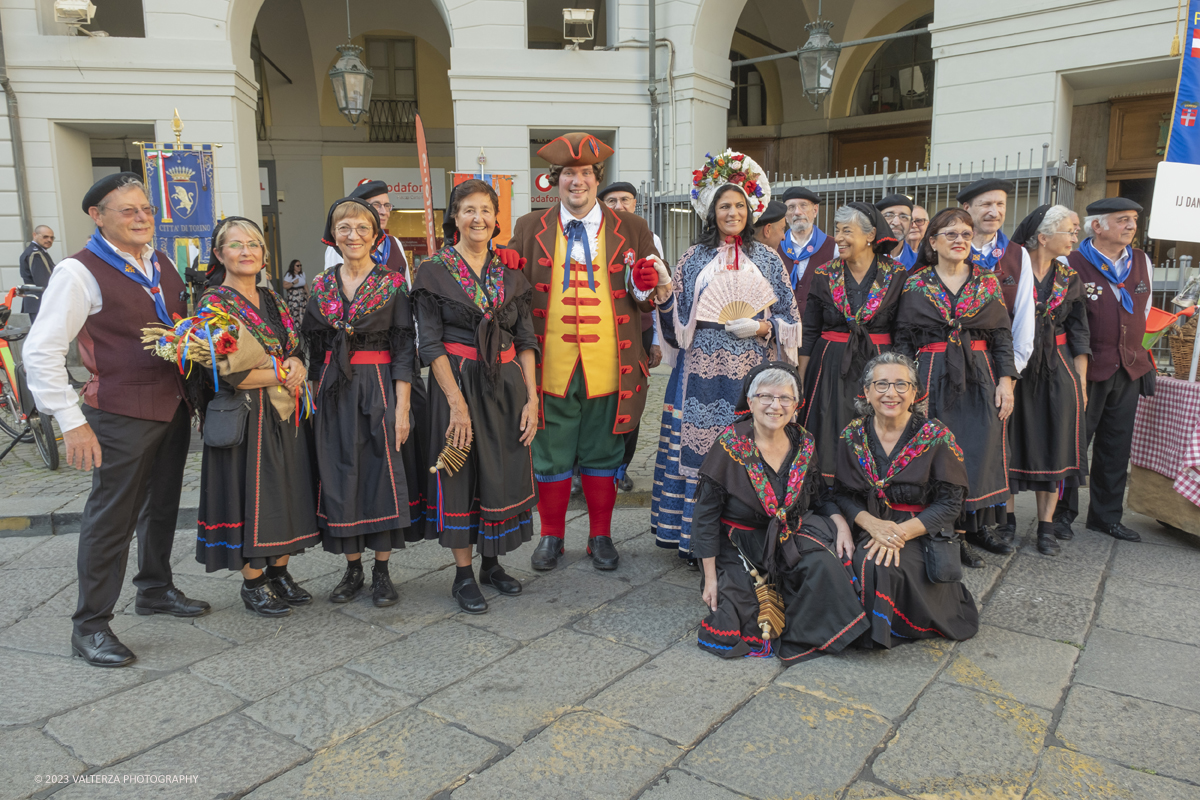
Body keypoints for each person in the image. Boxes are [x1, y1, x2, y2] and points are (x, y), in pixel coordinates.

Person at [24, 173, 210, 668]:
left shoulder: (161, 262)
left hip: (169, 406)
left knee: (161, 506)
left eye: (145, 209)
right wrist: (70, 421)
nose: (141, 218)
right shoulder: (77, 271)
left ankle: (153, 588)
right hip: (118, 413)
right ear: (98, 216)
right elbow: (41, 352)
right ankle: (90, 626)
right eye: (127, 210)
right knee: (111, 519)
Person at [508, 133, 664, 572]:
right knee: (550, 452)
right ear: (554, 180)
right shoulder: (528, 227)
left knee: (604, 451)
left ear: (597, 180)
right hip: (549, 364)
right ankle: (551, 537)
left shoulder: (631, 226)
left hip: (610, 365)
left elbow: (645, 294)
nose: (576, 182)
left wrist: (646, 284)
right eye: (567, 174)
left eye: (585, 174)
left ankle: (601, 536)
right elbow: (512, 293)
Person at [654, 154, 802, 559]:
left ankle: (742, 540)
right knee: (699, 452)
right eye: (724, 206)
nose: (732, 212)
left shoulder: (769, 260)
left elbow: (790, 317)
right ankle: (694, 542)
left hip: (751, 370)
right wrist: (666, 295)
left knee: (747, 446)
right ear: (712, 213)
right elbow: (675, 325)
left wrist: (761, 327)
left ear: (750, 211)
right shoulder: (693, 259)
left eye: (739, 205)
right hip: (699, 368)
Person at [412, 180, 540, 614]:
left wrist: (532, 399)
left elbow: (525, 340)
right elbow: (429, 345)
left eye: (485, 210)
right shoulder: (432, 272)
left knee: (500, 472)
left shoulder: (511, 276)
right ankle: (463, 575)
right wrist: (456, 404)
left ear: (496, 219)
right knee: (460, 475)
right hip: (459, 382)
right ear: (455, 218)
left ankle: (491, 563)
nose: (477, 218)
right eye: (468, 210)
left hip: (506, 384)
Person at [693, 363, 868, 663]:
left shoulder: (803, 443)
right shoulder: (729, 446)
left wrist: (841, 524)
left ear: (796, 405)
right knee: (739, 614)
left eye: (785, 398)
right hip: (740, 543)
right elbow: (705, 517)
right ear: (750, 402)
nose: (775, 406)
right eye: (766, 397)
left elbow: (820, 497)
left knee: (825, 568)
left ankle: (817, 631)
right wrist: (710, 578)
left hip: (790, 534)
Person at [194, 217, 318, 615]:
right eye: (235, 245)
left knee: (287, 493)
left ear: (264, 254)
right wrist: (283, 371)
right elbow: (228, 369)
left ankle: (280, 571)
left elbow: (296, 344)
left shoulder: (275, 299)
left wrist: (298, 363)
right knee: (250, 496)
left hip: (285, 411)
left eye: (254, 244)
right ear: (219, 254)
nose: (246, 251)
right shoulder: (213, 303)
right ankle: (254, 581)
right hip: (246, 415)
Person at [304, 197, 420, 607]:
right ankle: (352, 567)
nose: (353, 235)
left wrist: (402, 408)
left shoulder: (392, 284)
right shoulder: (319, 284)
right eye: (344, 228)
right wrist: (315, 400)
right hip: (333, 389)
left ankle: (382, 571)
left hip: (380, 384)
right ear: (332, 235)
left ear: (376, 236)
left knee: (380, 475)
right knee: (339, 474)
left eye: (361, 228)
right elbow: (315, 349)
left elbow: (405, 348)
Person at [895, 208, 1017, 568]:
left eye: (965, 233)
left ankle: (971, 530)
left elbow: (1001, 336)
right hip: (931, 375)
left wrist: (1006, 383)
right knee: (938, 456)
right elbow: (903, 339)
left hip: (979, 376)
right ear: (932, 242)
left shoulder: (987, 283)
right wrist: (906, 385)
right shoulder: (916, 284)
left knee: (976, 453)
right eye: (950, 234)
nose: (960, 240)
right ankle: (945, 532)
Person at [833, 352, 979, 648]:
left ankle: (884, 630)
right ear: (867, 391)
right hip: (870, 524)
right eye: (882, 384)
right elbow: (841, 494)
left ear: (914, 392)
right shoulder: (853, 436)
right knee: (842, 559)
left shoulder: (936, 437)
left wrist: (897, 533)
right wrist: (872, 524)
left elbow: (950, 505)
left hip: (920, 530)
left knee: (878, 563)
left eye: (901, 385)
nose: (891, 393)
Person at [1054, 198, 1153, 542]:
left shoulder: (1141, 261)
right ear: (1097, 227)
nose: (1131, 226)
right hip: (1085, 368)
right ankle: (1060, 515)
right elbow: (1060, 319)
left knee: (1116, 445)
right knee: (1074, 444)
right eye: (1122, 219)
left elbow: (1144, 311)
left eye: (1133, 220)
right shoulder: (1070, 262)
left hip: (1127, 368)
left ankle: (1106, 516)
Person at [798, 202, 905, 485]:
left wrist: (902, 378)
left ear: (870, 236)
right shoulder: (824, 274)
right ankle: (827, 492)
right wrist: (801, 377)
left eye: (847, 231)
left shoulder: (896, 275)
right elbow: (809, 330)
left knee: (874, 425)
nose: (839, 238)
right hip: (829, 365)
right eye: (837, 230)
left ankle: (871, 488)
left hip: (879, 363)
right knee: (827, 427)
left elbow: (903, 332)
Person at [1006, 205, 1089, 555]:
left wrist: (1081, 382)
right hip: (1016, 365)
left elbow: (1080, 330)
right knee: (1007, 441)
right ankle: (1006, 521)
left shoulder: (1069, 279)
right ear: (1043, 237)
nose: (1075, 237)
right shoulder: (1008, 272)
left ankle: (1046, 526)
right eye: (1070, 230)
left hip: (1058, 367)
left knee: (1055, 443)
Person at [957, 178, 1035, 542]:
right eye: (986, 204)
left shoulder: (1018, 255)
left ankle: (984, 525)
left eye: (1001, 205)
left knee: (987, 444)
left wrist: (1009, 376)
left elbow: (1021, 319)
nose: (995, 212)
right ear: (968, 210)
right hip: (950, 362)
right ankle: (953, 525)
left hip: (992, 363)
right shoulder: (951, 245)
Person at [598, 180, 664, 492]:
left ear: (636, 204)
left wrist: (656, 341)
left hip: (639, 328)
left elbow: (661, 294)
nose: (619, 205)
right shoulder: (593, 237)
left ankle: (622, 466)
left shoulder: (647, 236)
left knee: (632, 397)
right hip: (599, 333)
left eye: (625, 199)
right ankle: (582, 469)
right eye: (611, 201)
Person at [324, 179, 410, 277]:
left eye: (387, 206)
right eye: (376, 205)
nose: (384, 212)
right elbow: (332, 286)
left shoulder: (394, 243)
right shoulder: (343, 244)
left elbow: (407, 287)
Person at [777, 186, 837, 316]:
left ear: (815, 210)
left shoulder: (834, 247)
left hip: (820, 329)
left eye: (803, 206)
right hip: (782, 329)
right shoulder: (775, 247)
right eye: (791, 207)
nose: (797, 212)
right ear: (785, 215)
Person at [19, 225, 55, 321]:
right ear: (34, 235)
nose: (49, 240)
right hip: (40, 302)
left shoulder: (38, 252)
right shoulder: (35, 254)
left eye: (52, 237)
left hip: (37, 302)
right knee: (45, 335)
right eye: (45, 236)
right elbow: (43, 281)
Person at [874, 194, 918, 269]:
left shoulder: (918, 263)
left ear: (911, 225)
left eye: (903, 217)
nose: (896, 222)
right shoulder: (864, 259)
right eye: (888, 215)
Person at [282, 259, 308, 328]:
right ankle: (295, 328)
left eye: (300, 265)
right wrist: (293, 283)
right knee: (295, 311)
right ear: (293, 266)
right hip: (294, 297)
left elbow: (305, 285)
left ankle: (302, 327)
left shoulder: (302, 274)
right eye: (297, 265)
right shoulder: (289, 275)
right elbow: (285, 286)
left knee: (302, 311)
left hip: (302, 296)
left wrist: (308, 295)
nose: (299, 267)